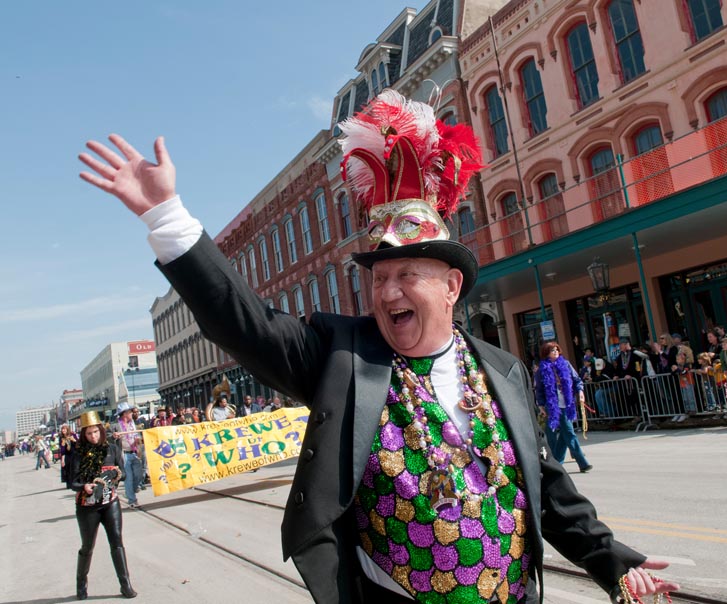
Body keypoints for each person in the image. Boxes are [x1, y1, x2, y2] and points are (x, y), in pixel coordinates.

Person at [79, 92, 677, 603]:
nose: (386, 290)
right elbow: (247, 323)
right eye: (376, 276)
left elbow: (542, 484)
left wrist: (611, 559)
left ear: (451, 286)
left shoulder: (500, 368)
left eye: (405, 274)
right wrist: (168, 216)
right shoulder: (342, 356)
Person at [71, 410, 136, 599]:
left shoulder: (112, 449)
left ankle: (126, 585)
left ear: (101, 430)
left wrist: (117, 474)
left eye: (96, 432)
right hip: (87, 507)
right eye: (89, 433)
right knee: (87, 546)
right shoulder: (78, 454)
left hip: (110, 503)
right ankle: (81, 585)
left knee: (117, 542)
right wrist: (84, 486)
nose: (93, 436)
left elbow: (123, 473)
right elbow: (72, 483)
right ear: (84, 434)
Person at [535, 342, 592, 473]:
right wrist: (541, 405)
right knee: (552, 436)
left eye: (556, 350)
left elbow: (577, 380)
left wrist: (581, 393)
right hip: (551, 406)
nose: (555, 352)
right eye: (552, 350)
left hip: (566, 404)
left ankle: (580, 463)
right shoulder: (541, 369)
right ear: (546, 353)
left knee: (568, 433)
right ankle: (557, 463)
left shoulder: (565, 364)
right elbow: (539, 389)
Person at [111, 402, 143, 509]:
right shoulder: (116, 425)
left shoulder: (132, 423)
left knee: (139, 475)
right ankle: (132, 500)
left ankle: (130, 491)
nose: (131, 413)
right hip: (124, 454)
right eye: (130, 412)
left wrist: (138, 442)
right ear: (124, 413)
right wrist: (113, 436)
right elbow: (108, 436)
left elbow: (136, 435)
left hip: (134, 452)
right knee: (128, 478)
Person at [59, 424, 78, 488]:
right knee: (67, 469)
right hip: (67, 455)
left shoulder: (73, 435)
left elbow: (78, 444)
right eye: (62, 429)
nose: (63, 430)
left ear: (67, 429)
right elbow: (62, 450)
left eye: (64, 429)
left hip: (74, 454)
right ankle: (69, 484)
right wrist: (62, 459)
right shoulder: (61, 438)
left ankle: (74, 482)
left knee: (74, 468)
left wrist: (74, 440)